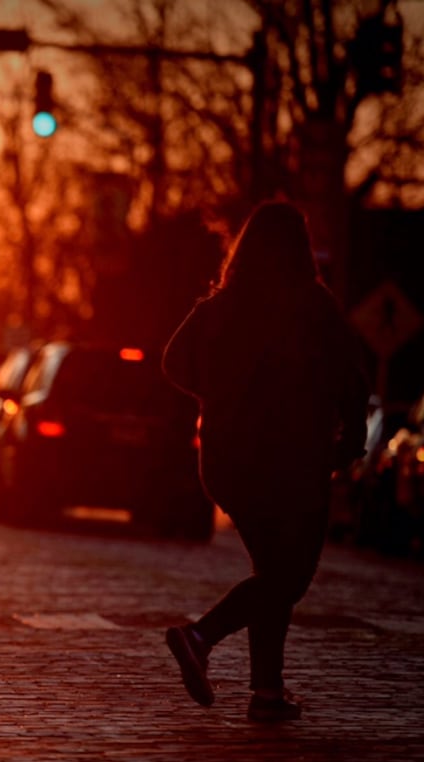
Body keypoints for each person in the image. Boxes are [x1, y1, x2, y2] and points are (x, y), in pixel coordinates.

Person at [160, 200, 370, 723]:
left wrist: (218, 396)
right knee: (288, 578)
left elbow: (172, 361)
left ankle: (268, 694)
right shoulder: (311, 305)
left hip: (228, 461)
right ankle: (199, 636)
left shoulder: (221, 305)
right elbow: (352, 376)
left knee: (270, 572)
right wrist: (351, 436)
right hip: (293, 461)